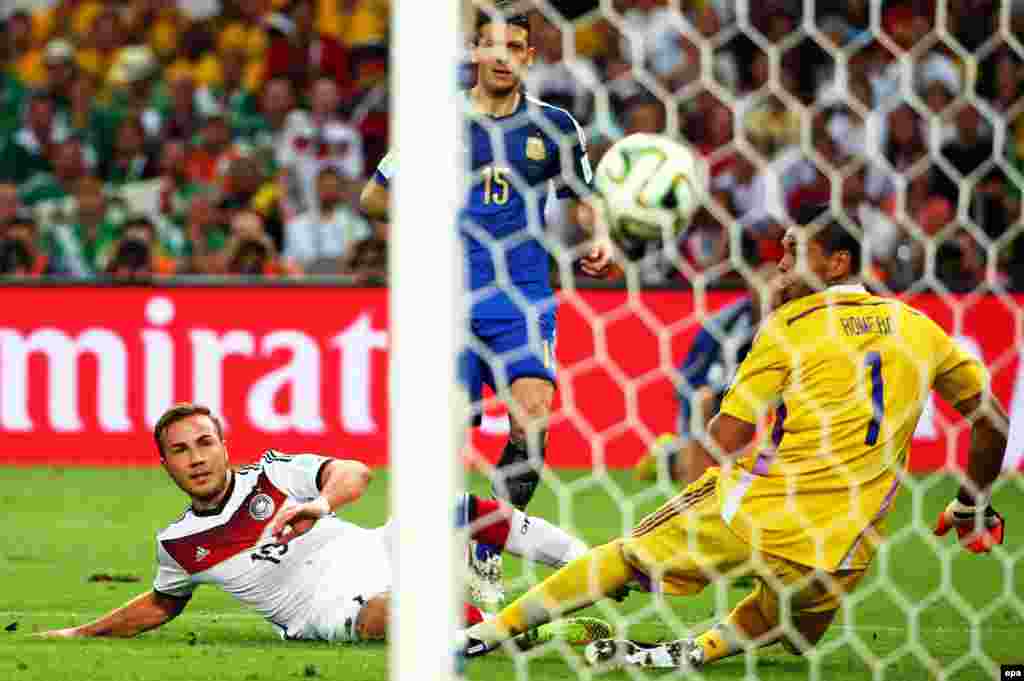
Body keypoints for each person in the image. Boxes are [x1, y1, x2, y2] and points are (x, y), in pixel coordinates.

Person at [458, 205, 1008, 669]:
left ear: (837, 262)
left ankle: (485, 633)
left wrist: (693, 493)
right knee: (791, 633)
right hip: (846, 542)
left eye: (794, 252)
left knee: (625, 557)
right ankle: (690, 651)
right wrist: (972, 503)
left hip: (757, 511)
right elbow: (992, 420)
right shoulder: (918, 326)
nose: (782, 264)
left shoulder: (790, 327)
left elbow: (728, 434)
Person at [40, 403, 609, 645]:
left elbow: (355, 473)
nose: (196, 458)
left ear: (223, 444)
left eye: (205, 443)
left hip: (379, 547)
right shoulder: (178, 544)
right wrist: (83, 633)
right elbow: (164, 603)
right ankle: (538, 630)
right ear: (165, 463)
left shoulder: (273, 473)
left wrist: (321, 505)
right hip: (331, 608)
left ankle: (592, 565)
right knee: (406, 616)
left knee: (451, 506)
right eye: (181, 450)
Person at [359, 9, 614, 512]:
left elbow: (586, 197)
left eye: (515, 47)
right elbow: (374, 198)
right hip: (447, 299)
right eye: (492, 46)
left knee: (533, 417)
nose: (503, 57)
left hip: (522, 298)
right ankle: (441, 546)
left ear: (530, 57)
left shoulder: (554, 126)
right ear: (475, 52)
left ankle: (490, 547)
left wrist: (601, 236)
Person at [634, 263, 778, 482]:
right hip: (723, 399)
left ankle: (675, 457)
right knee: (703, 400)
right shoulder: (725, 323)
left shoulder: (790, 324)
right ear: (751, 289)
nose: (771, 297)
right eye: (764, 288)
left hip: (767, 401)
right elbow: (689, 377)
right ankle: (673, 461)